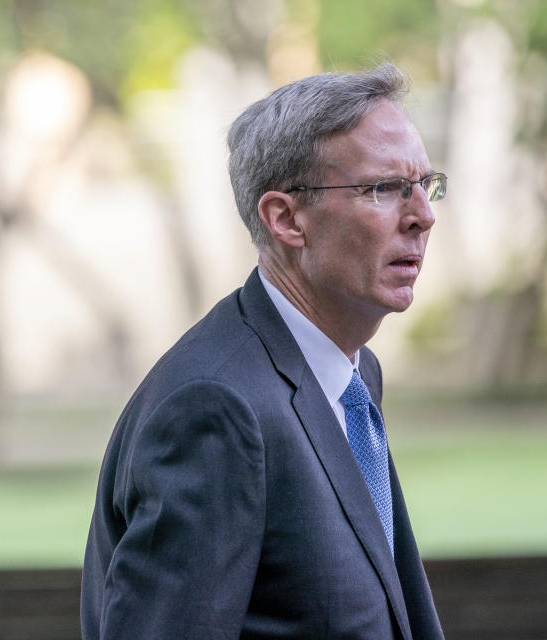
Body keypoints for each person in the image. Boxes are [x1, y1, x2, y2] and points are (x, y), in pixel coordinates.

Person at [81, 63, 447, 639]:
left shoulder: (351, 374)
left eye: (426, 184)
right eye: (382, 189)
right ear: (285, 218)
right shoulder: (214, 409)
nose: (422, 215)